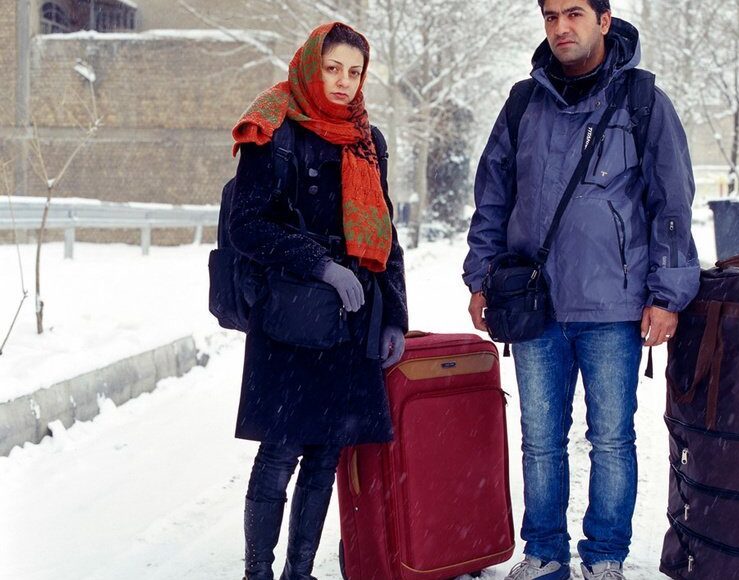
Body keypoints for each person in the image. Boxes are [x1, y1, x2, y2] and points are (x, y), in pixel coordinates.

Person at [463, 1, 699, 579]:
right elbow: (492, 197)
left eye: (574, 13)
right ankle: (544, 552)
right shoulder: (523, 103)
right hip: (533, 304)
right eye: (551, 16)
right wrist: (480, 276)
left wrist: (667, 294)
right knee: (540, 441)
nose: (561, 27)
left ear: (604, 20)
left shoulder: (643, 101)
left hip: (614, 306)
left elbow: (671, 204)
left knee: (612, 440)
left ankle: (604, 557)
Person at [228, 22, 407, 580]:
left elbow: (386, 232)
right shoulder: (274, 129)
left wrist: (395, 316)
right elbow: (246, 225)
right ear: (311, 66)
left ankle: (299, 572)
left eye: (354, 72)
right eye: (333, 69)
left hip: (351, 320)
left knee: (326, 453)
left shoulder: (366, 140)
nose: (343, 82)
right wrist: (320, 265)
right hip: (291, 313)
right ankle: (258, 572)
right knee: (280, 449)